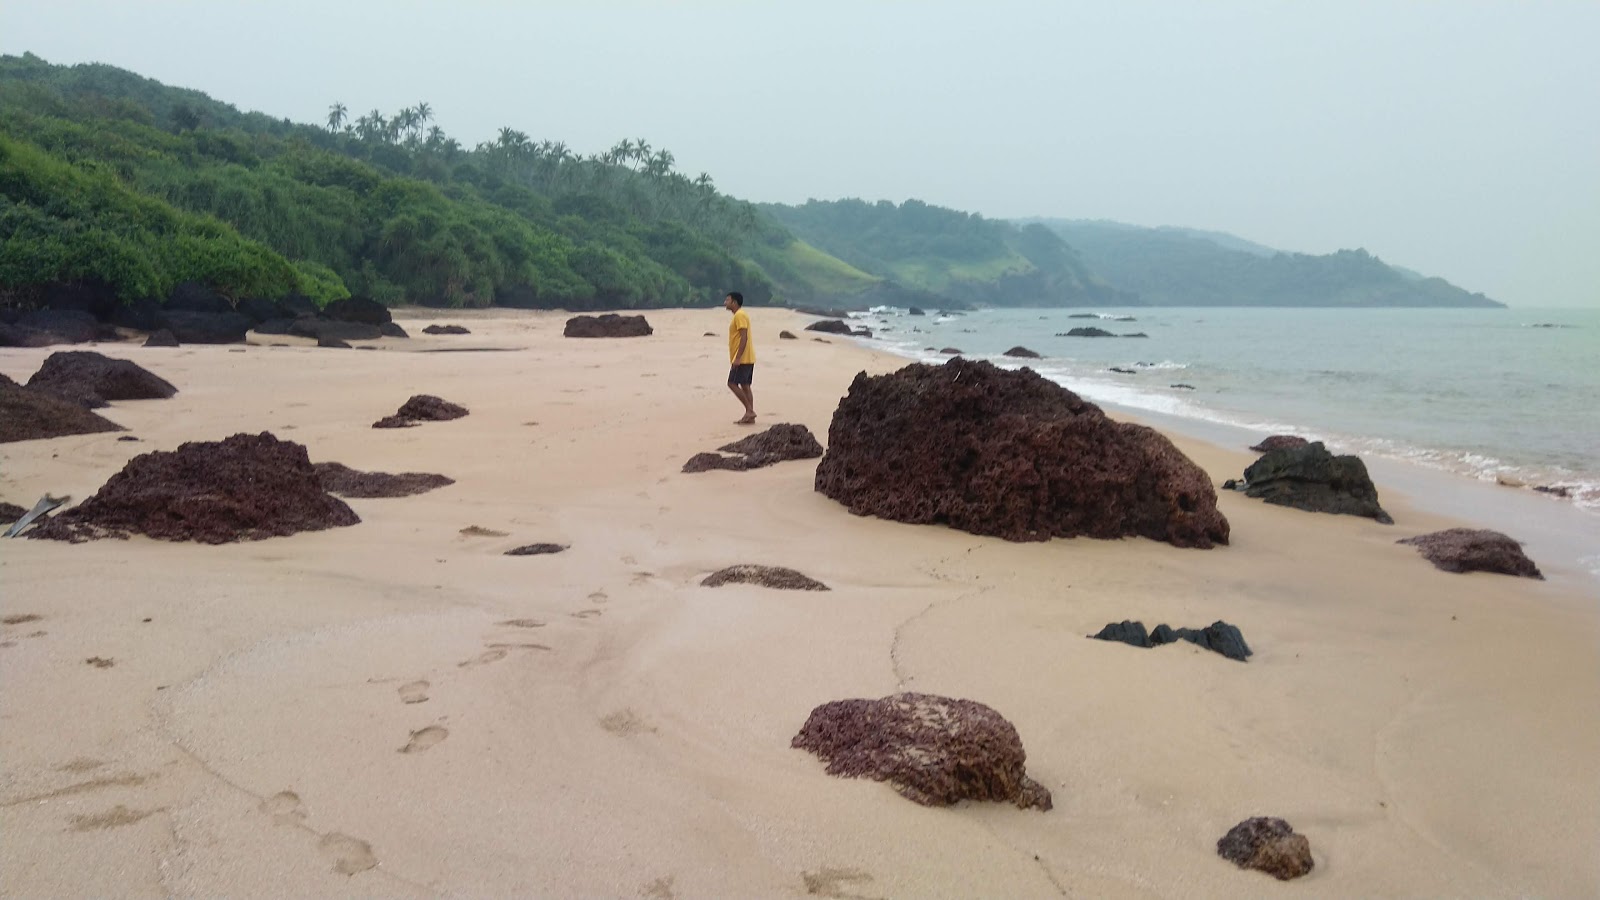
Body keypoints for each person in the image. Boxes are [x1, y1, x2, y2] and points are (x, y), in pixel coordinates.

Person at [724, 291, 756, 424]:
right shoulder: (740, 315)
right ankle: (750, 415)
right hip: (747, 357)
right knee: (745, 385)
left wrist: (737, 358)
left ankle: (749, 410)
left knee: (731, 383)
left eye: (727, 300)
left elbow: (744, 336)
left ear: (734, 302)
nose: (725, 302)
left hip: (742, 358)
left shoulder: (739, 315)